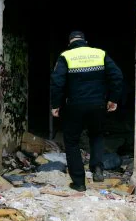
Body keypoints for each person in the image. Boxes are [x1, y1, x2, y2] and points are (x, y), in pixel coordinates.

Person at [50, 31, 123, 191]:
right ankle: (97, 168)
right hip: (98, 104)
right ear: (85, 41)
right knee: (96, 135)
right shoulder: (100, 53)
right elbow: (117, 76)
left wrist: (55, 104)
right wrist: (113, 99)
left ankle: (79, 183)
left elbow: (57, 82)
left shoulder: (66, 56)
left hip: (74, 106)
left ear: (70, 43)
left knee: (71, 141)